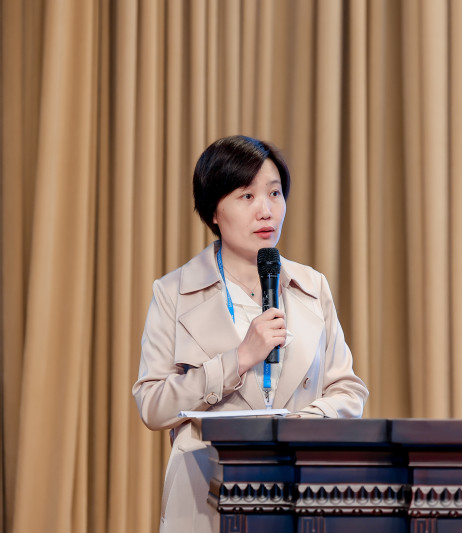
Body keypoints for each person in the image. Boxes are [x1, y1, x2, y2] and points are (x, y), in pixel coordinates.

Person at [132, 136, 368, 532]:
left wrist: (299, 425)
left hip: (298, 489)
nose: (266, 210)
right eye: (247, 196)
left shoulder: (312, 286)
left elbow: (348, 390)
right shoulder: (173, 292)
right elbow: (153, 405)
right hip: (206, 494)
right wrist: (238, 360)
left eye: (274, 193)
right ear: (214, 211)